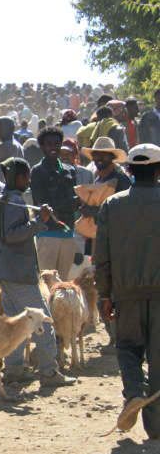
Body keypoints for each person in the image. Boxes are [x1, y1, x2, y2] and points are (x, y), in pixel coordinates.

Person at [0, 158, 74, 388]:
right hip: (19, 274)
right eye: (25, 176)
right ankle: (48, 371)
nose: (28, 181)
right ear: (17, 177)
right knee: (42, 321)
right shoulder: (14, 202)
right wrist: (39, 222)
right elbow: (12, 235)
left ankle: (14, 370)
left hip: (5, 273)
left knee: (15, 324)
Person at [96, 143, 160, 438]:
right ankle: (156, 428)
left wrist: (104, 294)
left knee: (128, 348)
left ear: (130, 169)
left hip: (126, 293)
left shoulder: (113, 205)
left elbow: (102, 256)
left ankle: (134, 390)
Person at [30, 127, 80, 280]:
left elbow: (73, 202)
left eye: (57, 143)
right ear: (42, 146)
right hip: (47, 234)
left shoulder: (70, 170)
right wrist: (70, 202)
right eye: (49, 144)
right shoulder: (37, 171)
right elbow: (42, 203)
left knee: (65, 281)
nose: (53, 147)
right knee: (47, 282)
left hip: (68, 233)